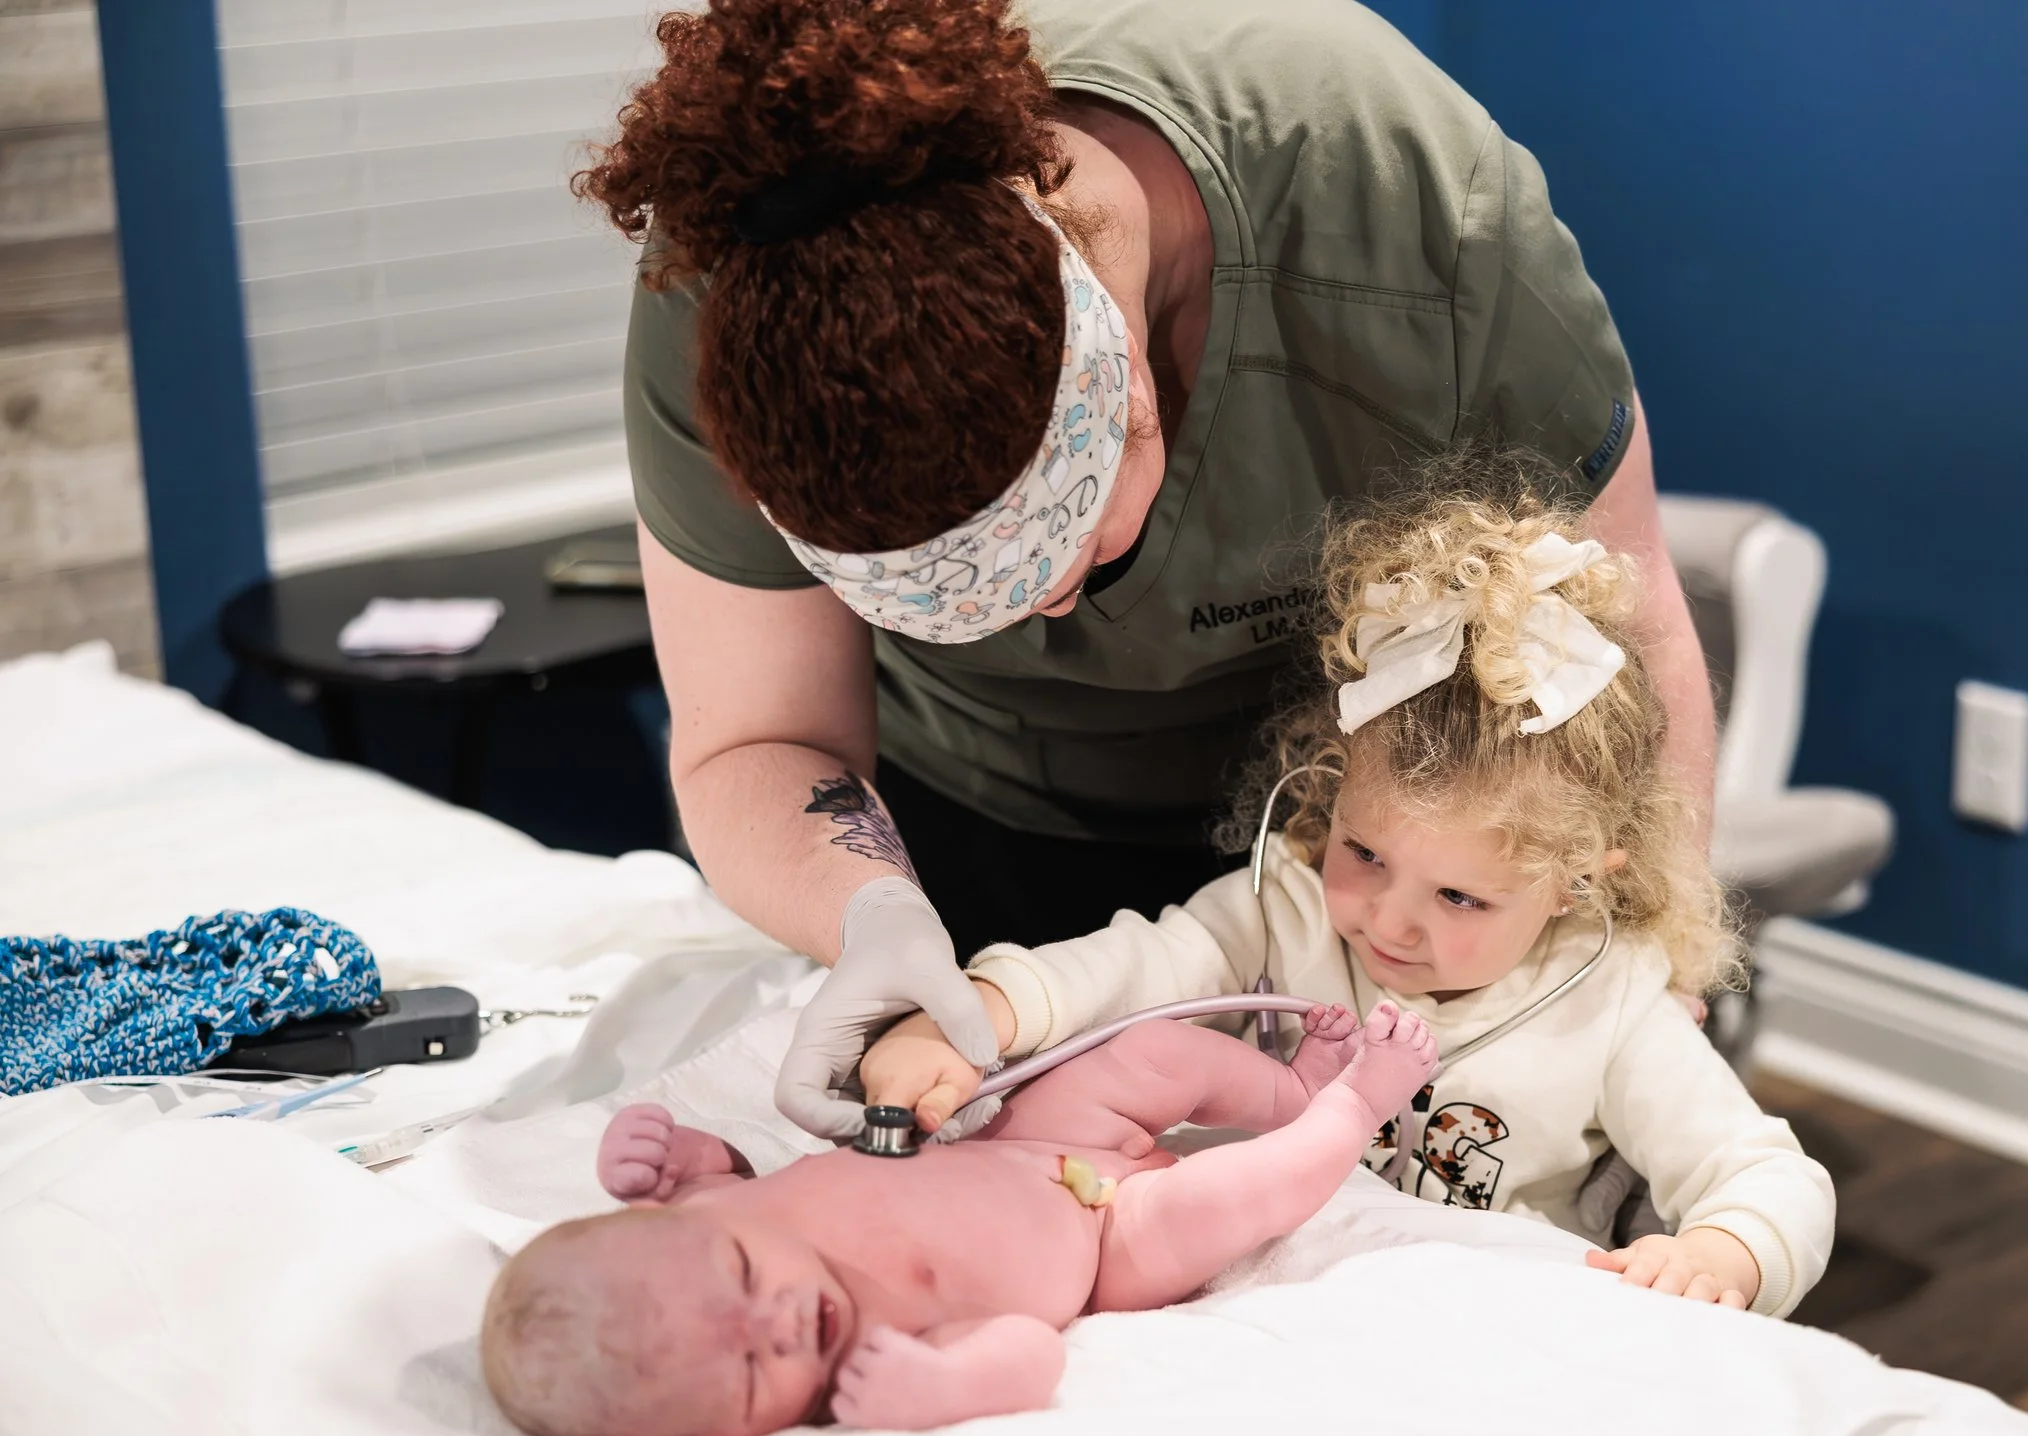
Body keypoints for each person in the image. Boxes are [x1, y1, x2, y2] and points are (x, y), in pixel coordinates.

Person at [580, 0, 1722, 1131]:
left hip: (1349, 847)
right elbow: (755, 735)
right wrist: (869, 913)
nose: (1046, 620)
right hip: (960, 828)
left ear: (1126, 384)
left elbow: (1625, 628)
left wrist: (1651, 996)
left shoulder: (1401, 193)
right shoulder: (746, 286)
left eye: (1068, 555)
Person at [862, 485, 1836, 1315]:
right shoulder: (1284, 911)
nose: (1389, 920)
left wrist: (1723, 1255)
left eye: (1460, 896)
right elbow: (1135, 965)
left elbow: (1769, 1176)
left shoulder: (1611, 1006)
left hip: (1474, 1331)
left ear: (1574, 883)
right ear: (1329, 783)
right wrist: (977, 1014)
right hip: (1267, 1307)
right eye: (1364, 851)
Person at [478, 1000, 1434, 1436]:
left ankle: (1286, 1087)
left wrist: (671, 1154)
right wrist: (946, 1386)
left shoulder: (704, 1208)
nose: (780, 1320)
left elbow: (723, 1168)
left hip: (1029, 1142)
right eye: (749, 1373)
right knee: (1244, 1193)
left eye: (742, 1276)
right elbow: (1031, 1352)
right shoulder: (873, 1359)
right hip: (1110, 1240)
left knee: (1149, 1054)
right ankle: (1351, 1106)